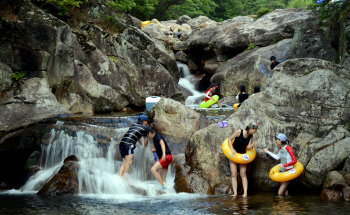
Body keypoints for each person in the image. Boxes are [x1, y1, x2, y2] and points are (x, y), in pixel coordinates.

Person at [227, 122, 258, 197]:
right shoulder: (239, 132)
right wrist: (232, 149)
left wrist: (253, 144)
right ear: (251, 128)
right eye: (255, 129)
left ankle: (245, 193)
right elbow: (229, 139)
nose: (255, 131)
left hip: (243, 155)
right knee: (234, 174)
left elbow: (247, 147)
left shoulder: (250, 136)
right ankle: (235, 193)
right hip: (234, 154)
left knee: (243, 174)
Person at [118, 114, 149, 183]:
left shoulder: (134, 125)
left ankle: (119, 178)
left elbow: (137, 136)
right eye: (147, 121)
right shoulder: (145, 129)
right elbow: (146, 141)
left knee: (125, 163)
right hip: (129, 144)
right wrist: (144, 147)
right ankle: (125, 180)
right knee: (129, 163)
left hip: (122, 143)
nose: (147, 123)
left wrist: (140, 144)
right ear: (144, 121)